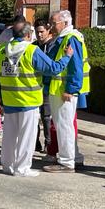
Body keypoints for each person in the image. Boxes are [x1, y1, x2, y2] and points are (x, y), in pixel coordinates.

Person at [0, 21, 72, 177]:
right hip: (29, 101)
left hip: (9, 101)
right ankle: (22, 168)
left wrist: (1, 96)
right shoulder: (31, 50)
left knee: (9, 136)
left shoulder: (0, 51)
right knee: (27, 137)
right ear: (28, 35)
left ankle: (7, 165)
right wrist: (67, 57)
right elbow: (53, 69)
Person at [43, 10, 90, 173]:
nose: (51, 26)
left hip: (64, 91)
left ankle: (67, 161)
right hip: (60, 90)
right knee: (64, 125)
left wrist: (70, 89)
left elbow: (75, 66)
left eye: (53, 23)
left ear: (64, 23)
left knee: (64, 126)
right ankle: (69, 158)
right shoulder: (66, 38)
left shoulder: (71, 38)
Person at [34, 20, 57, 153]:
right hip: (35, 86)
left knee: (46, 116)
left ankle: (48, 143)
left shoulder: (53, 46)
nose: (39, 35)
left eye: (42, 32)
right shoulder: (33, 46)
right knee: (34, 117)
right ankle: (35, 142)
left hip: (47, 86)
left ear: (48, 31)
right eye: (37, 32)